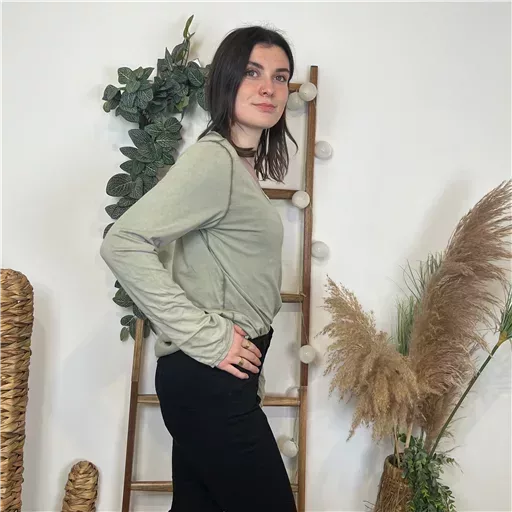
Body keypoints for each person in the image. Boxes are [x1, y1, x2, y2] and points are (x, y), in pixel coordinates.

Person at [100, 25, 298, 512]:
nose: (268, 88)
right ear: (227, 79)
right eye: (253, 72)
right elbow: (123, 243)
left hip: (216, 380)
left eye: (280, 76)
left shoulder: (237, 165)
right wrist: (209, 338)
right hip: (208, 379)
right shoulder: (215, 161)